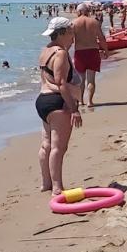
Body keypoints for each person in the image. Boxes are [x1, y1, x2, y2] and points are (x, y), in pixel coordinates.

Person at [36, 16, 82, 195]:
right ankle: (57, 187)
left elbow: (47, 78)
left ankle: (46, 183)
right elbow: (61, 83)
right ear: (62, 33)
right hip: (57, 102)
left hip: (42, 101)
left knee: (46, 145)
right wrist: (74, 109)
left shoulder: (45, 51)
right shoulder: (60, 54)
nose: (73, 35)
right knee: (58, 147)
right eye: (71, 32)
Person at [70, 3, 108, 108]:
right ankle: (90, 102)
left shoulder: (74, 23)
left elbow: (70, 40)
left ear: (79, 11)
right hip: (93, 52)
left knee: (81, 80)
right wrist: (106, 51)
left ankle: (81, 101)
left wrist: (64, 52)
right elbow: (101, 38)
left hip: (80, 53)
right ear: (87, 11)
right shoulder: (94, 22)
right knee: (91, 80)